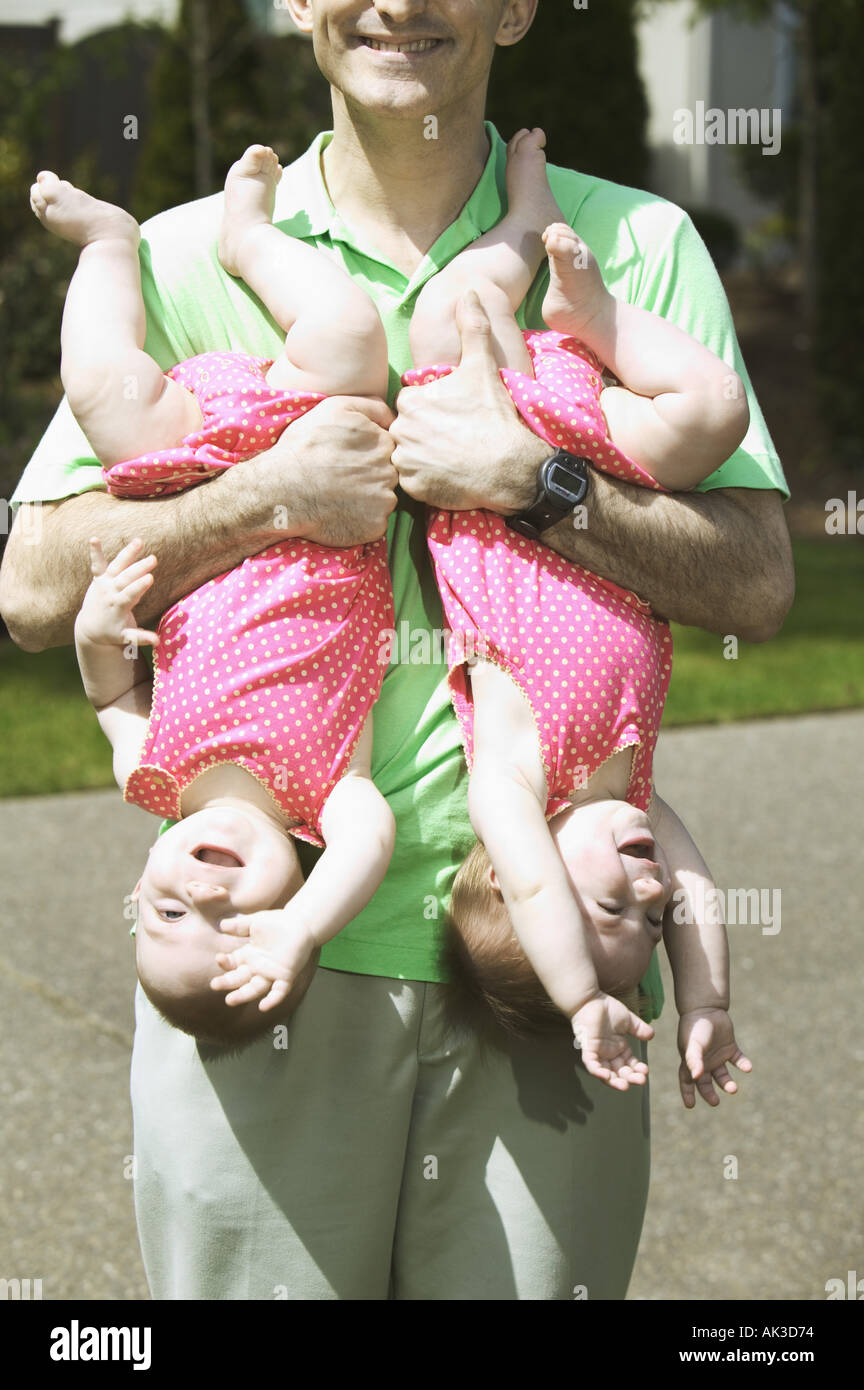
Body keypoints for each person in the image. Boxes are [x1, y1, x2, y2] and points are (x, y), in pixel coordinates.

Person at [0, 0, 792, 1300]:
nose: (400, 2)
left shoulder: (633, 242)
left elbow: (759, 578)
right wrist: (265, 494)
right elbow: (34, 583)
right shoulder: (189, 250)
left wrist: (538, 480)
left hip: (548, 964)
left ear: (520, 8)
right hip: (268, 948)